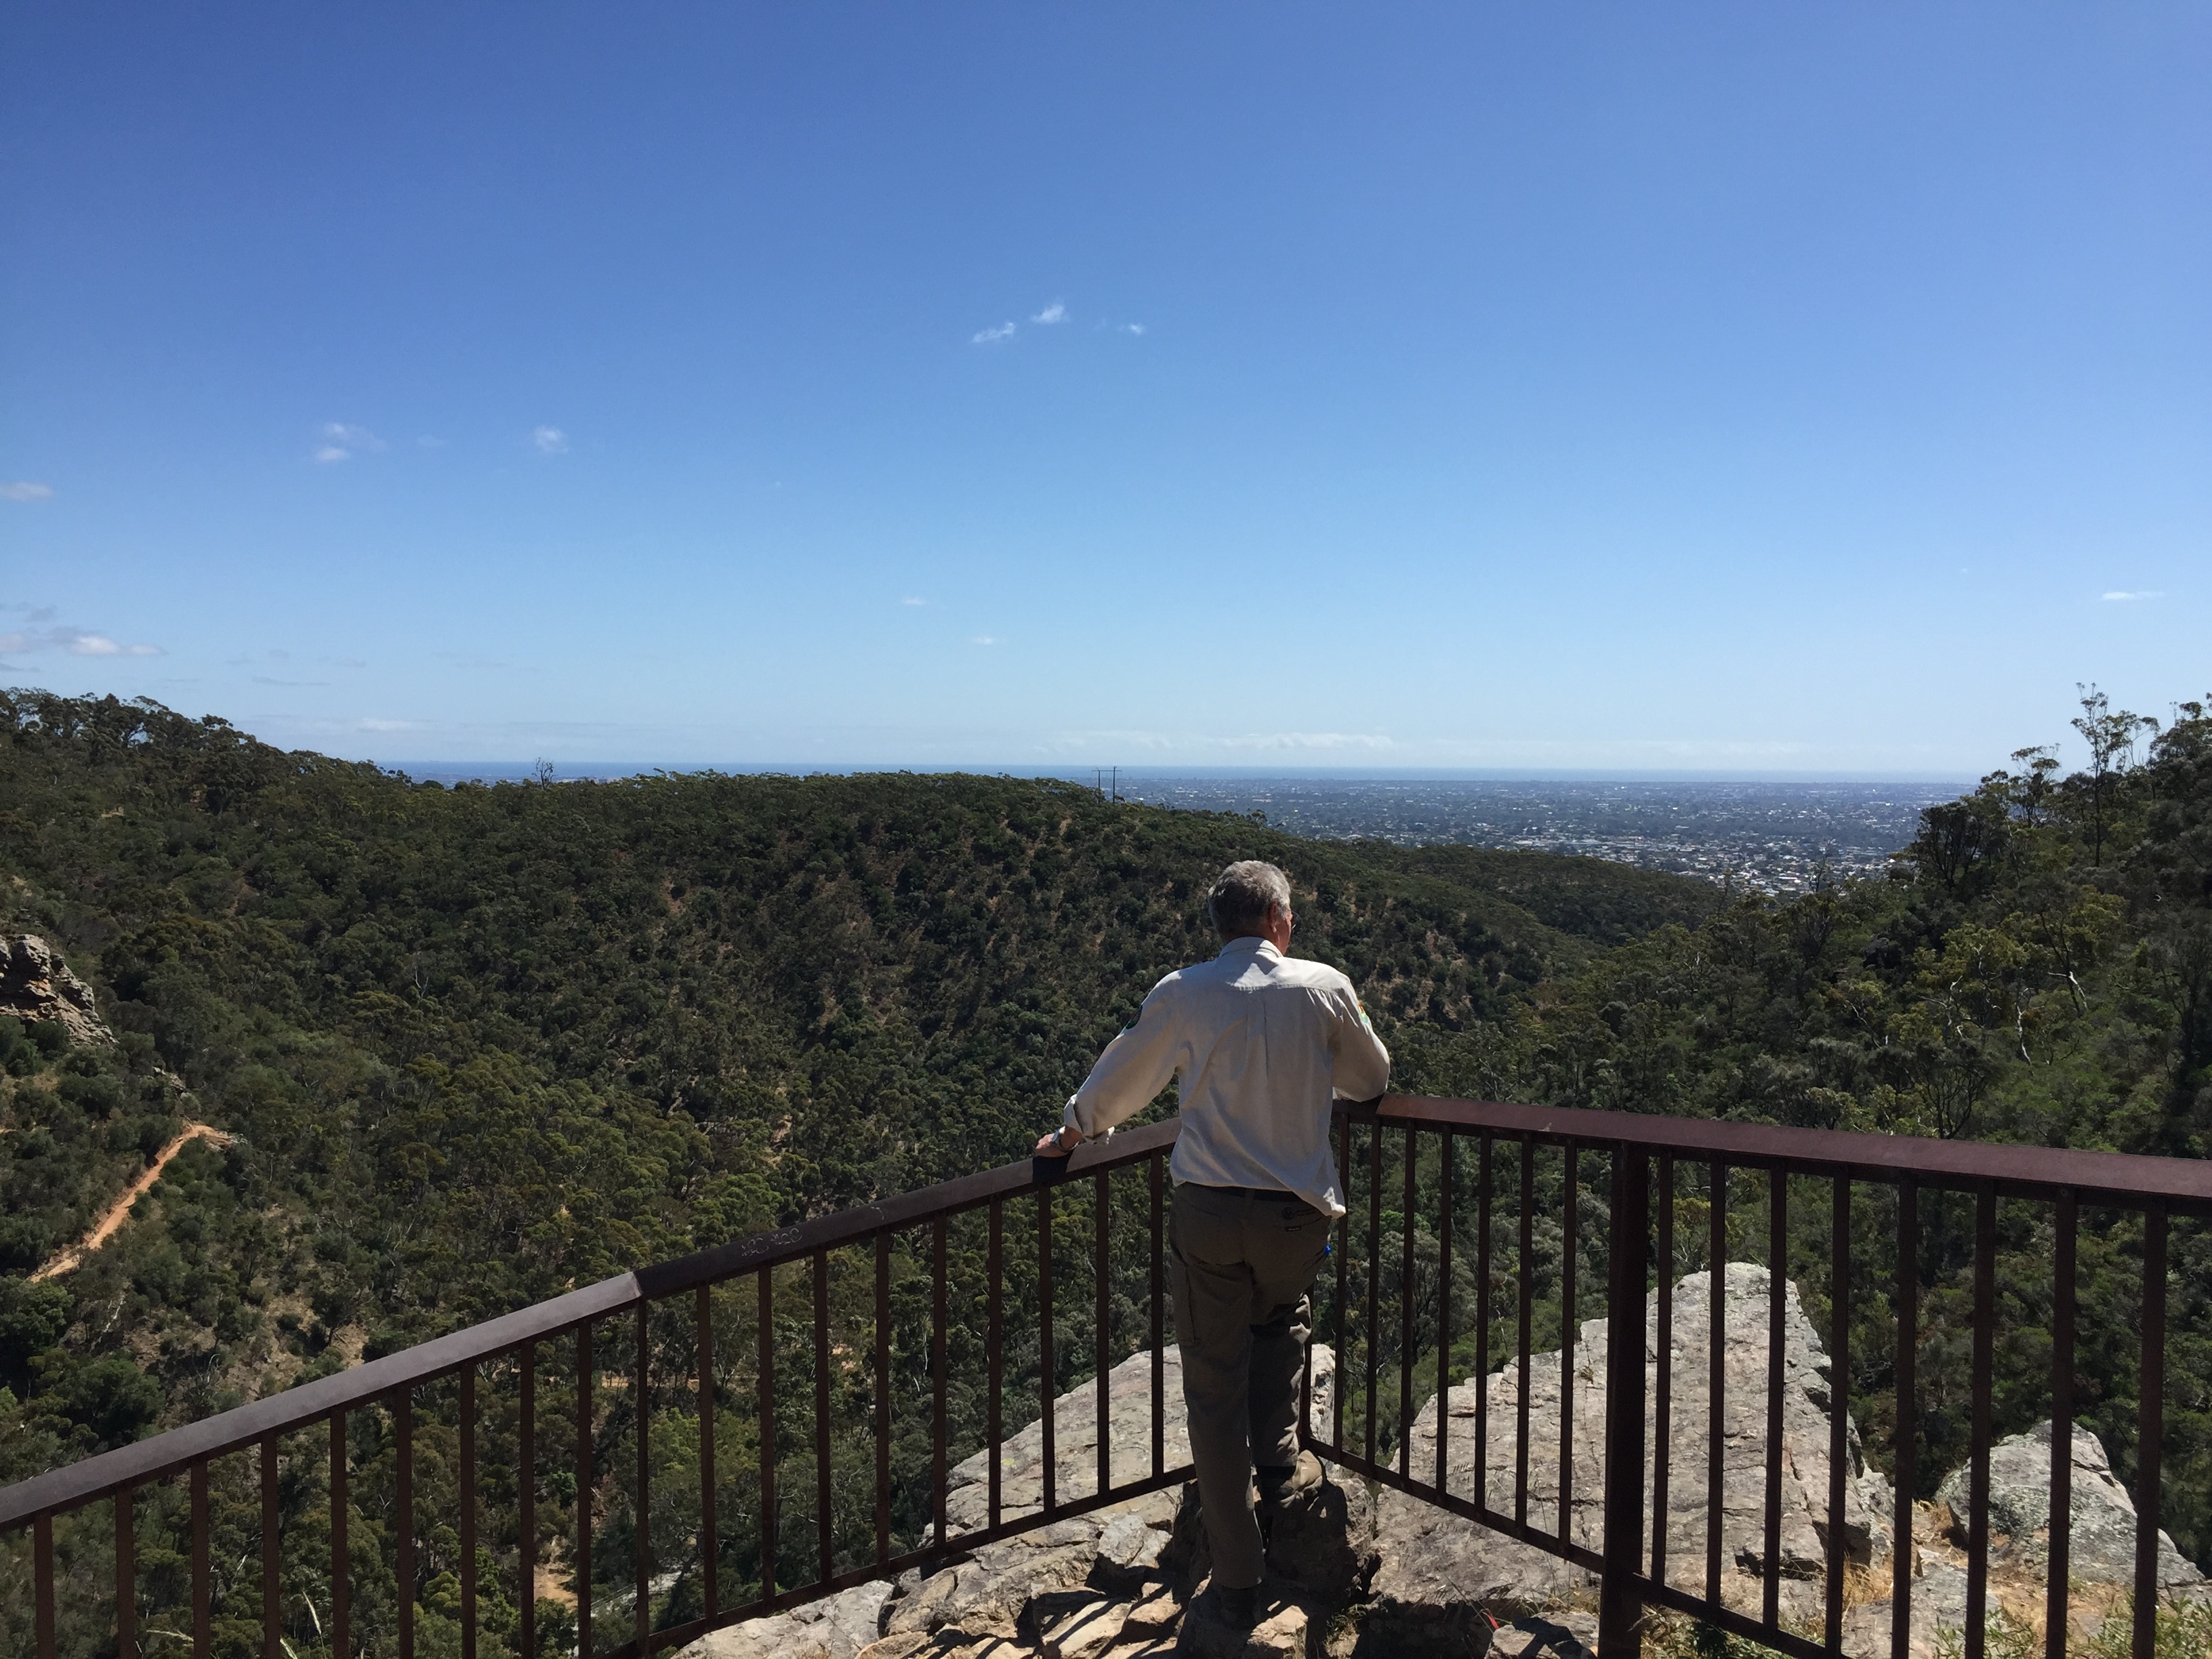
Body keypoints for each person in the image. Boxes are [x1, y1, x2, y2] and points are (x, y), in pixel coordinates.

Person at [1034, 859, 1390, 1627]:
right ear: (1280, 922)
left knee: (1212, 1391)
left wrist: (1071, 1131)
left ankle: (1237, 1575)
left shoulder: (1183, 992)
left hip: (1210, 1218)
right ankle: (1280, 1463)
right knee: (1282, 1314)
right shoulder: (1325, 986)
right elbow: (1371, 1080)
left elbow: (1123, 1078)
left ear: (1221, 926)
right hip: (1296, 1221)